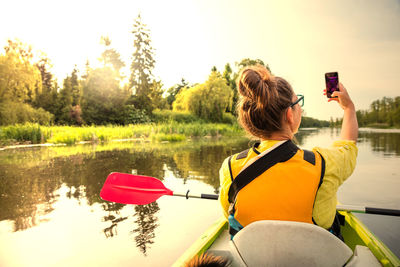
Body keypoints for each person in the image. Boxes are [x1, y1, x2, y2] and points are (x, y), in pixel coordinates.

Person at [218, 65, 358, 238]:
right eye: (297, 103)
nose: (300, 107)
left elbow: (228, 214)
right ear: (289, 115)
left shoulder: (230, 167)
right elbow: (348, 145)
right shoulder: (324, 164)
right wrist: (348, 108)